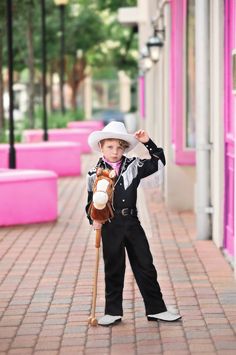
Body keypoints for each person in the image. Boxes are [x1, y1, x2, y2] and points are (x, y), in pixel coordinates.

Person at [86, 121, 181, 326]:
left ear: (125, 148)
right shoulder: (94, 173)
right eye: (110, 147)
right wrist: (93, 219)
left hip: (132, 222)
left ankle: (157, 309)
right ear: (101, 147)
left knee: (145, 264)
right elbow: (90, 203)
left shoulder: (134, 166)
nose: (115, 151)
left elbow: (158, 162)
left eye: (120, 147)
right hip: (109, 225)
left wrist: (148, 143)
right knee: (113, 267)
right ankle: (112, 312)